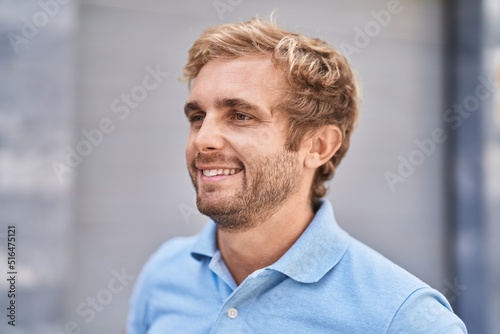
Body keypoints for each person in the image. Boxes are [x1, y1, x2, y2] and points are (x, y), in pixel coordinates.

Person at [126, 17, 467, 333]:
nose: (203, 139)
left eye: (241, 116)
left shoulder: (406, 318)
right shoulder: (163, 273)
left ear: (319, 145)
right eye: (197, 117)